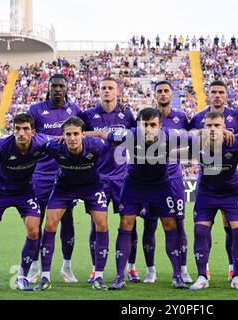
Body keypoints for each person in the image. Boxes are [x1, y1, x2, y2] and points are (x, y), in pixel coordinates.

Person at [92, 108, 191, 290]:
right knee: (125, 226)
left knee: (171, 226)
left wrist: (218, 134)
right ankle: (119, 277)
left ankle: (177, 276)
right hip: (133, 186)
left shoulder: (171, 135)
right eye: (145, 125)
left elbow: (197, 137)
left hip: (160, 187)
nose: (148, 129)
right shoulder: (129, 135)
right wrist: (82, 133)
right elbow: (103, 134)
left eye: (153, 125)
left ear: (161, 126)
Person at [33, 117, 110, 291]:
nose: (72, 138)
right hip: (64, 187)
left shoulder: (96, 145)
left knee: (102, 225)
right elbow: (35, 142)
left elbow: (111, 141)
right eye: (68, 134)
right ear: (63, 135)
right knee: (50, 224)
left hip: (92, 187)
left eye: (76, 134)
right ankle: (45, 277)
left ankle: (98, 276)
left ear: (83, 134)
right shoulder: (54, 146)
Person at [0, 113, 48, 292]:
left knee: (33, 231)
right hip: (0, 192)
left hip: (25, 192)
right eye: (17, 129)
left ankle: (23, 277)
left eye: (25, 129)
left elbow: (61, 139)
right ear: (13, 130)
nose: (21, 133)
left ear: (33, 132)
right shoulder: (1, 147)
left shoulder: (42, 143)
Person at [185, 111, 238, 291]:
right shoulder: (197, 144)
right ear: (204, 128)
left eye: (217, 125)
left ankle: (237, 277)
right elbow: (177, 150)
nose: (213, 129)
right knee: (200, 231)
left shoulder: (235, 143)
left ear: (224, 127)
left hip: (231, 193)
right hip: (207, 193)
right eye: (209, 126)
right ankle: (202, 276)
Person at [80, 77, 139, 284]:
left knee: (129, 223)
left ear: (117, 91)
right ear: (99, 91)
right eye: (103, 87)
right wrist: (98, 133)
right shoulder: (88, 115)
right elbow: (77, 135)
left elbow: (137, 137)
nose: (107, 91)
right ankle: (96, 269)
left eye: (110, 88)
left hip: (123, 178)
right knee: (96, 225)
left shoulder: (127, 115)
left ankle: (131, 268)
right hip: (97, 178)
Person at [26, 74, 82, 284]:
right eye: (54, 86)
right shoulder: (36, 110)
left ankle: (66, 267)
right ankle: (34, 266)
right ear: (48, 88)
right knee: (36, 220)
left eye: (61, 86)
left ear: (66, 89)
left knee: (67, 218)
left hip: (67, 174)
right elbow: (31, 136)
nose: (58, 89)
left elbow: (82, 135)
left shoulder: (74, 110)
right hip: (41, 174)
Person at [189, 80, 238, 281]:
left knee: (231, 226)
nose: (218, 95)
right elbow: (188, 138)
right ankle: (205, 270)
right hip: (207, 181)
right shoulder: (197, 118)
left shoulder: (236, 116)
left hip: (230, 179)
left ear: (226, 95)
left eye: (221, 92)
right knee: (204, 227)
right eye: (214, 92)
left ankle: (232, 268)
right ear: (208, 95)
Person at [139, 81, 192, 284]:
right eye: (159, 91)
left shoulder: (181, 118)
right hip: (150, 179)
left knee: (179, 225)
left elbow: (190, 141)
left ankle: (183, 269)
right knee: (149, 224)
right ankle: (150, 270)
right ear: (154, 94)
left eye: (166, 91)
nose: (162, 94)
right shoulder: (146, 117)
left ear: (172, 93)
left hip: (173, 178)